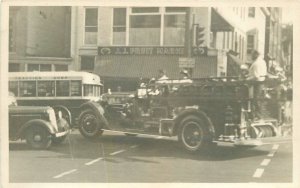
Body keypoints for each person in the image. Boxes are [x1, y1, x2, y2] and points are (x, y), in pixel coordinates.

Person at [246, 50, 267, 120]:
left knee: (254, 99)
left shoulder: (256, 63)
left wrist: (247, 79)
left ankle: (255, 116)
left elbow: (256, 76)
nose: (251, 57)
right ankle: (258, 115)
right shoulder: (263, 62)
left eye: (252, 55)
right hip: (261, 82)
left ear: (255, 55)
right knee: (258, 99)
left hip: (256, 83)